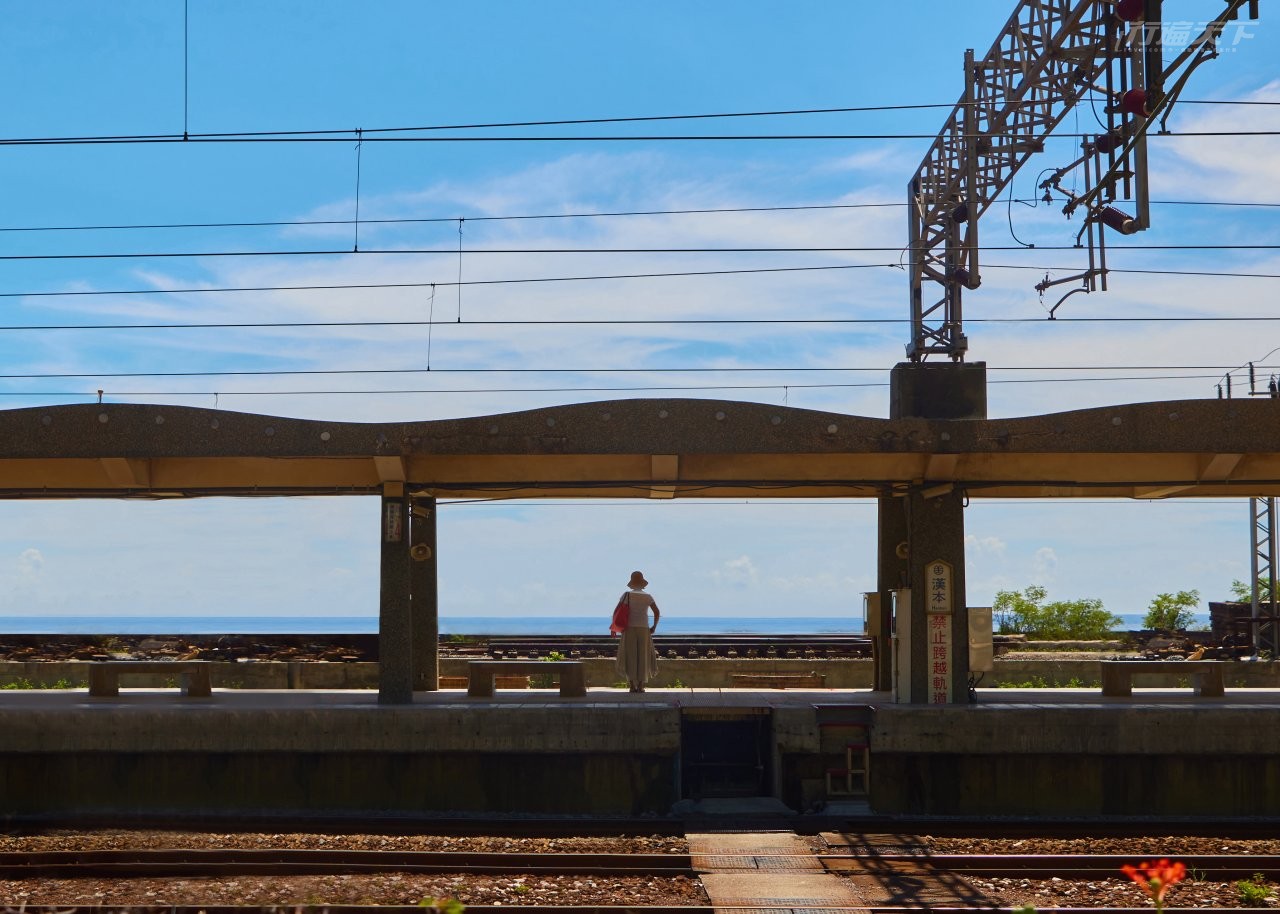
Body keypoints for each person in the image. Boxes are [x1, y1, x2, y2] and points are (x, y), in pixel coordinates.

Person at [615, 570, 660, 693]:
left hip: (629, 627)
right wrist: (654, 627)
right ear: (642, 583)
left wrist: (616, 627)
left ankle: (631, 685)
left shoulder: (626, 595)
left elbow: (617, 611)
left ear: (632, 582)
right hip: (644, 628)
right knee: (643, 656)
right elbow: (657, 612)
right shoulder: (648, 597)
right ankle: (640, 685)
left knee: (630, 655)